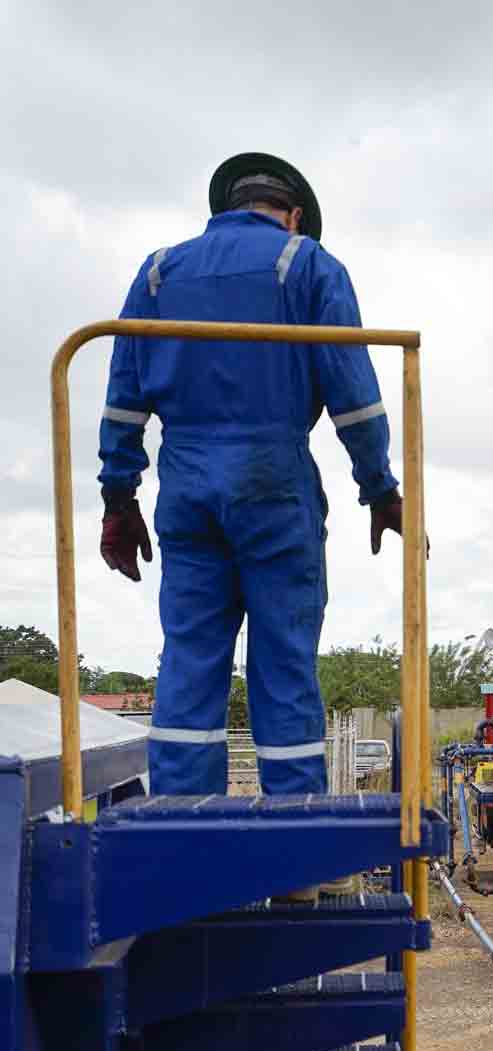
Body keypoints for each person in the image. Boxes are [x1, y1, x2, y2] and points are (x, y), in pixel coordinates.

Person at [98, 152, 406, 800]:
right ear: (294, 216)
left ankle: (183, 826)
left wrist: (118, 498)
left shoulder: (157, 273)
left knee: (189, 657)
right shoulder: (309, 265)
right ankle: (293, 849)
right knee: (284, 660)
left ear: (229, 207)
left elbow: (123, 398)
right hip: (273, 480)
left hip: (184, 482)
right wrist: (380, 489)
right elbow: (354, 395)